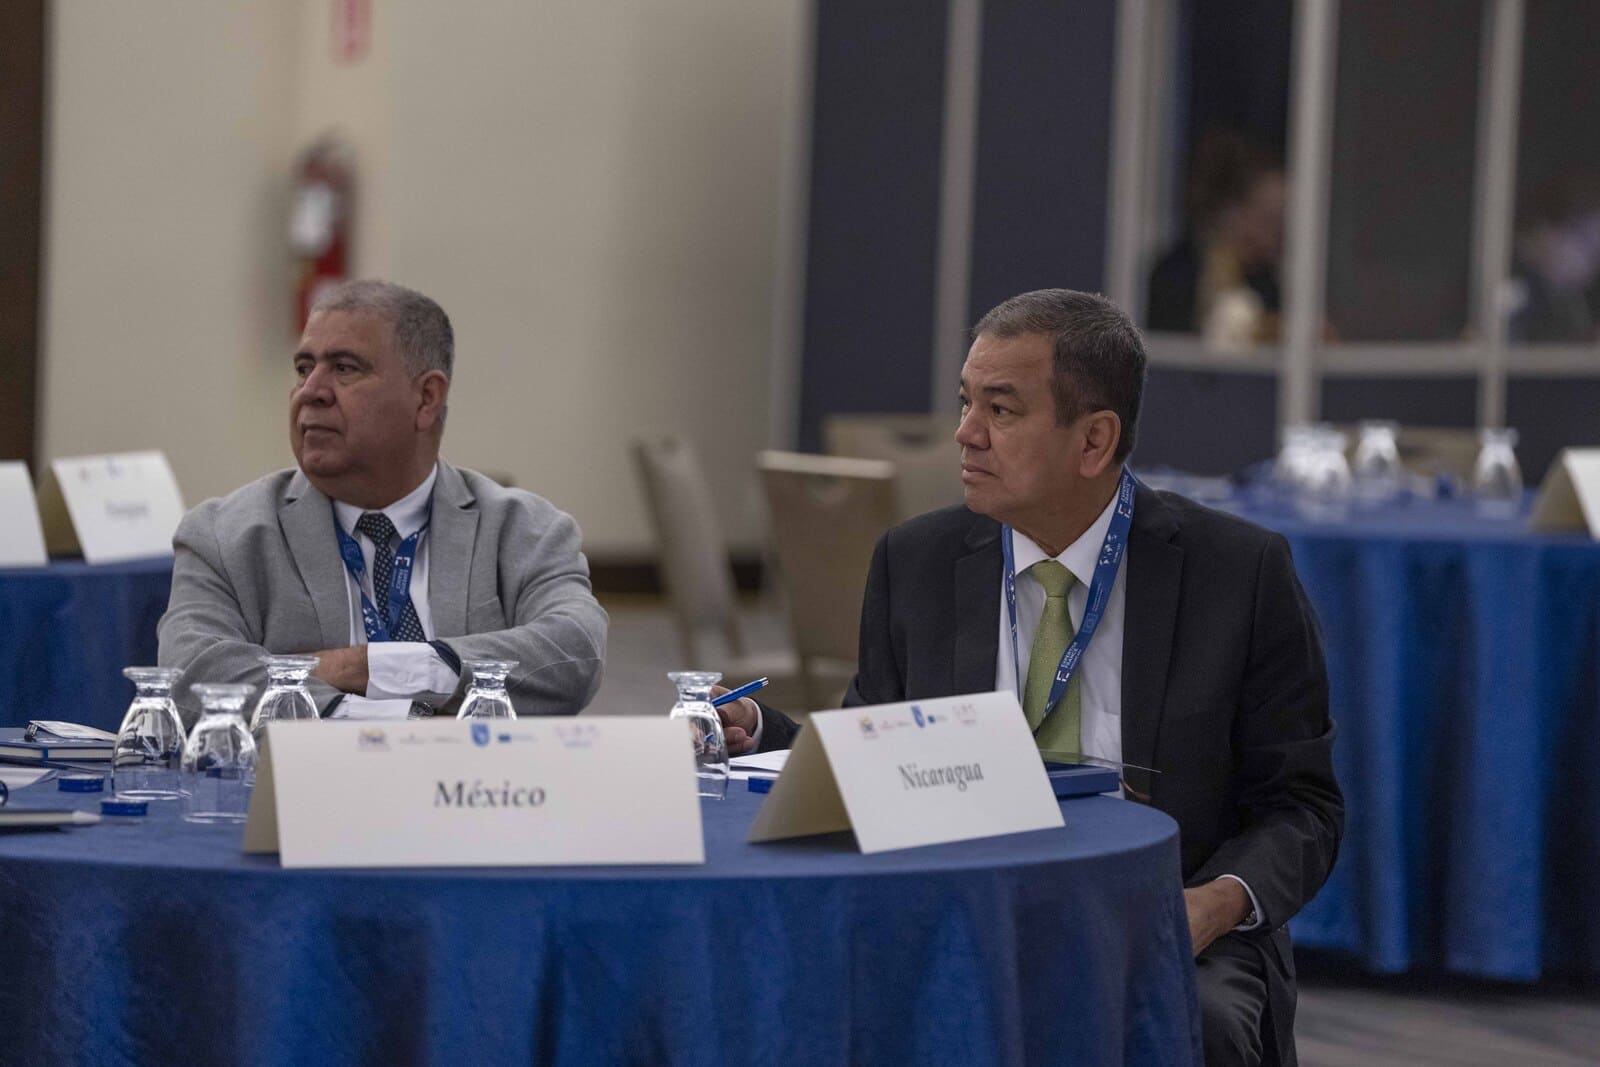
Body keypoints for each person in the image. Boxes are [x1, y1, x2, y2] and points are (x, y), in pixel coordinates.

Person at [719, 289, 1341, 1066]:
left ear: (1094, 439)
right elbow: (874, 747)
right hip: (959, 910)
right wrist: (762, 731)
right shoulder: (917, 561)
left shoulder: (1237, 573)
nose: (965, 433)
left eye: (1001, 410)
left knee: (1202, 1022)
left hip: (1159, 914)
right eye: (965, 402)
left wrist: (1209, 906)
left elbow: (1302, 806)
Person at [158, 279, 606, 722]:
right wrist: (376, 721)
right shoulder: (222, 537)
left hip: (477, 771)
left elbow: (575, 651)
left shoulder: (525, 530)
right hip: (316, 770)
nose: (311, 390)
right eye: (303, 368)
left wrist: (365, 667)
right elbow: (191, 673)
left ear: (426, 398)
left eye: (344, 368)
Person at [1147, 130, 1286, 349]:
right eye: (1266, 221)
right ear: (1231, 211)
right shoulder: (1174, 276)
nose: (1273, 241)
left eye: (1280, 228)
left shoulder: (1268, 285)